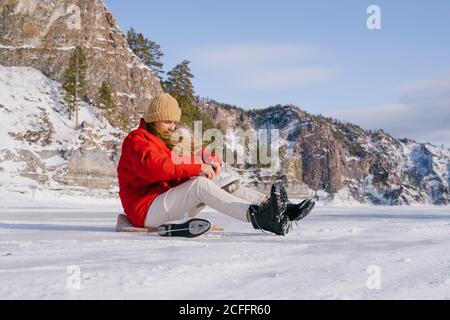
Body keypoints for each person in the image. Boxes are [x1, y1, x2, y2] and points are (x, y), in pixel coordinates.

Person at [117, 93, 315, 236]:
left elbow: (195, 150)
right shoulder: (137, 141)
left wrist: (209, 160)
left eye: (174, 122)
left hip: (167, 204)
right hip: (146, 211)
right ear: (154, 120)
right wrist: (197, 167)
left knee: (227, 182)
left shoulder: (165, 139)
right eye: (167, 122)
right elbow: (157, 168)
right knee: (199, 185)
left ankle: (281, 210)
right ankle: (260, 218)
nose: (172, 127)